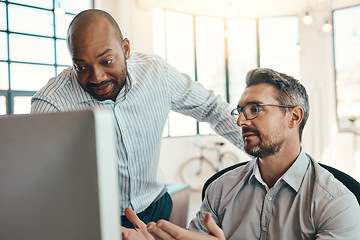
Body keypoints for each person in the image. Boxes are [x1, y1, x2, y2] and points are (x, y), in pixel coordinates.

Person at [30, 9, 242, 227]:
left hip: (157, 204)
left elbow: (212, 107)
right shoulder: (52, 103)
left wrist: (266, 153)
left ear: (126, 49)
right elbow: (38, 180)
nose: (97, 77)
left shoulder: (156, 74)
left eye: (107, 61)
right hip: (96, 218)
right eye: (81, 67)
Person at [121, 67, 360, 239]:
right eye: (240, 111)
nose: (241, 122)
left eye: (255, 109)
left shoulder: (337, 203)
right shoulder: (220, 188)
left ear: (294, 117)